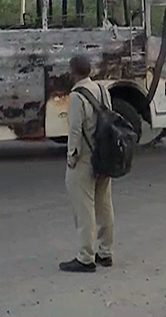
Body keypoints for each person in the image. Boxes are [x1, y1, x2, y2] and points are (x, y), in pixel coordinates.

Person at [59, 54, 114, 273]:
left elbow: (74, 130)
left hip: (85, 158)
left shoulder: (76, 97)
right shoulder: (103, 91)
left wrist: (71, 157)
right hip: (104, 156)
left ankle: (85, 257)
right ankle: (106, 252)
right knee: (104, 205)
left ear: (73, 72)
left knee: (84, 209)